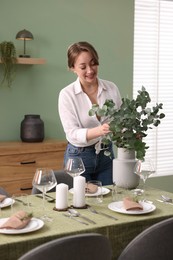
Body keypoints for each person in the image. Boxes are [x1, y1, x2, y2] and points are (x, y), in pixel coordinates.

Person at [58, 41, 122, 185]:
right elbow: (71, 133)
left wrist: (130, 134)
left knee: (107, 201)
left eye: (93, 63)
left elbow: (120, 120)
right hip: (78, 157)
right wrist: (99, 130)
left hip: (106, 154)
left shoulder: (111, 88)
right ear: (72, 68)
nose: (90, 70)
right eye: (83, 66)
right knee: (80, 203)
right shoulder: (67, 94)